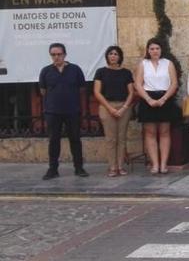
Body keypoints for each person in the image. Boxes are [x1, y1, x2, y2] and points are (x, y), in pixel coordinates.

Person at [39, 43, 88, 180]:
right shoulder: (46, 71)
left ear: (65, 55)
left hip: (72, 111)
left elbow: (81, 88)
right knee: (53, 141)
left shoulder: (75, 69)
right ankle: (53, 169)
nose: (56, 57)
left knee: (75, 139)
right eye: (53, 55)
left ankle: (79, 168)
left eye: (59, 54)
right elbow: (43, 91)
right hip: (53, 112)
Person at [134, 38, 180, 175]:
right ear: (148, 50)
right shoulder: (143, 64)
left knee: (165, 132)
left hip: (165, 99)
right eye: (152, 49)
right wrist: (148, 99)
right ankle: (155, 164)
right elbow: (138, 84)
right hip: (148, 99)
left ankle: (164, 164)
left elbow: (174, 83)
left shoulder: (168, 64)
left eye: (157, 48)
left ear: (161, 50)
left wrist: (164, 98)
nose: (155, 51)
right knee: (150, 133)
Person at [93, 45, 135, 177]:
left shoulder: (126, 73)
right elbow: (97, 92)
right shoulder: (101, 72)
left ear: (120, 57)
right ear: (107, 56)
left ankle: (121, 166)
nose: (113, 56)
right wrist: (110, 108)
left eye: (116, 54)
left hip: (124, 107)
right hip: (106, 107)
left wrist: (124, 107)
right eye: (110, 54)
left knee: (122, 138)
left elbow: (131, 92)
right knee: (111, 139)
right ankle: (112, 167)